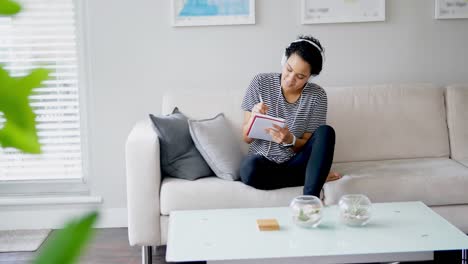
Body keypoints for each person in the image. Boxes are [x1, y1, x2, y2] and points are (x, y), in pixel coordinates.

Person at [240, 35, 341, 197]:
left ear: (310, 76)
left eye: (300, 77)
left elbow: (311, 145)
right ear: (283, 60)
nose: (290, 79)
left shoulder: (317, 96)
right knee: (248, 168)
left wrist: (290, 140)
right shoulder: (260, 82)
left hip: (295, 163)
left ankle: (310, 199)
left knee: (326, 132)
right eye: (289, 69)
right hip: (262, 163)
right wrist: (254, 118)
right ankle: (312, 177)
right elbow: (246, 138)